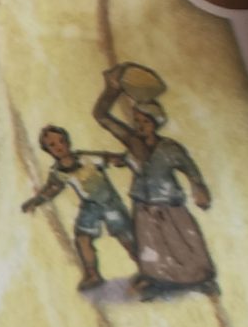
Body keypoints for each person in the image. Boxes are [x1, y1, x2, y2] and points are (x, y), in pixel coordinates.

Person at [92, 68, 218, 299]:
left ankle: (201, 279)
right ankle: (157, 280)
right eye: (137, 121)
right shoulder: (133, 143)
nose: (140, 125)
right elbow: (102, 117)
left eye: (145, 121)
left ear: (155, 123)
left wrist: (199, 187)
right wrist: (111, 90)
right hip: (143, 202)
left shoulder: (169, 148)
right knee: (150, 246)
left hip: (169, 202)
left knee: (183, 242)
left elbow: (189, 168)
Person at [21, 124, 136, 291]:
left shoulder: (85, 158)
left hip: (109, 201)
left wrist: (123, 159)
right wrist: (36, 201)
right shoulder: (58, 171)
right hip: (90, 205)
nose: (59, 147)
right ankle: (92, 274)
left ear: (68, 142)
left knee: (124, 235)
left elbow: (108, 158)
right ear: (47, 150)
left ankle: (146, 267)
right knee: (82, 238)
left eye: (61, 141)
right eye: (52, 145)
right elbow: (52, 189)